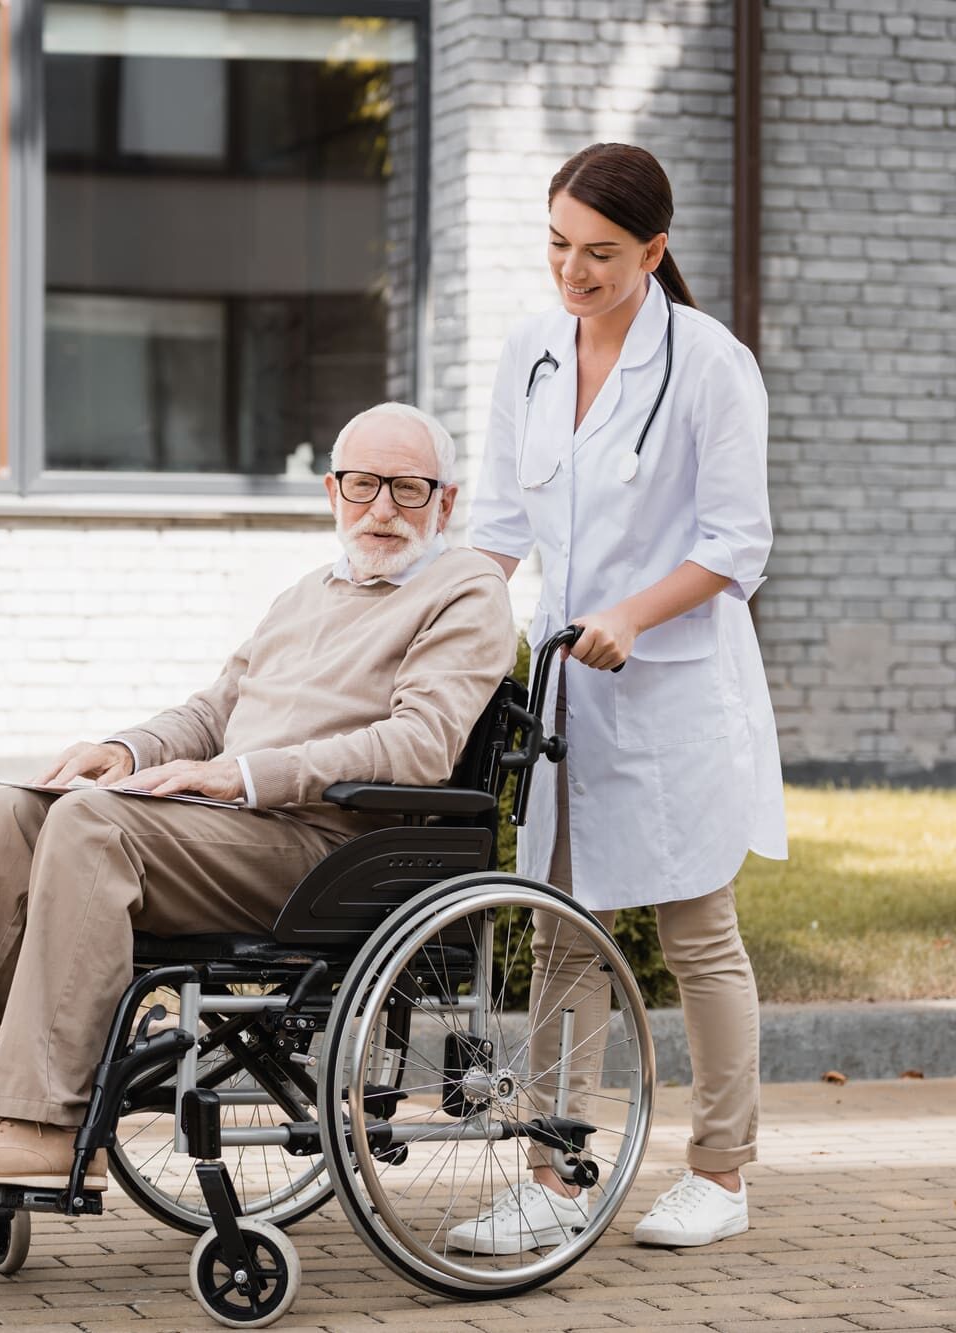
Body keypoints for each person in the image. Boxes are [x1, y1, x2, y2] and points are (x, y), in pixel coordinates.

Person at [0, 401, 517, 1190]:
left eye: (407, 489)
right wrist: (123, 748)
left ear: (446, 500)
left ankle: (49, 1124)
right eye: (364, 485)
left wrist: (247, 773)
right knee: (4, 814)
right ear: (333, 491)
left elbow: (421, 744)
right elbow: (213, 711)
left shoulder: (466, 589)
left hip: (334, 845)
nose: (381, 509)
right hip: (232, 830)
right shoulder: (310, 591)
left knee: (95, 825)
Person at [461, 143, 787, 1252]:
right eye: (557, 245)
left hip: (676, 690)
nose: (573, 271)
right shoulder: (532, 354)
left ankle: (721, 1174)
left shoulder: (708, 363)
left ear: (653, 251)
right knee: (563, 934)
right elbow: (499, 523)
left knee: (698, 936)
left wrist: (636, 616)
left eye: (600, 253)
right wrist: (439, 630)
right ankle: (555, 1182)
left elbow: (738, 544)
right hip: (568, 692)